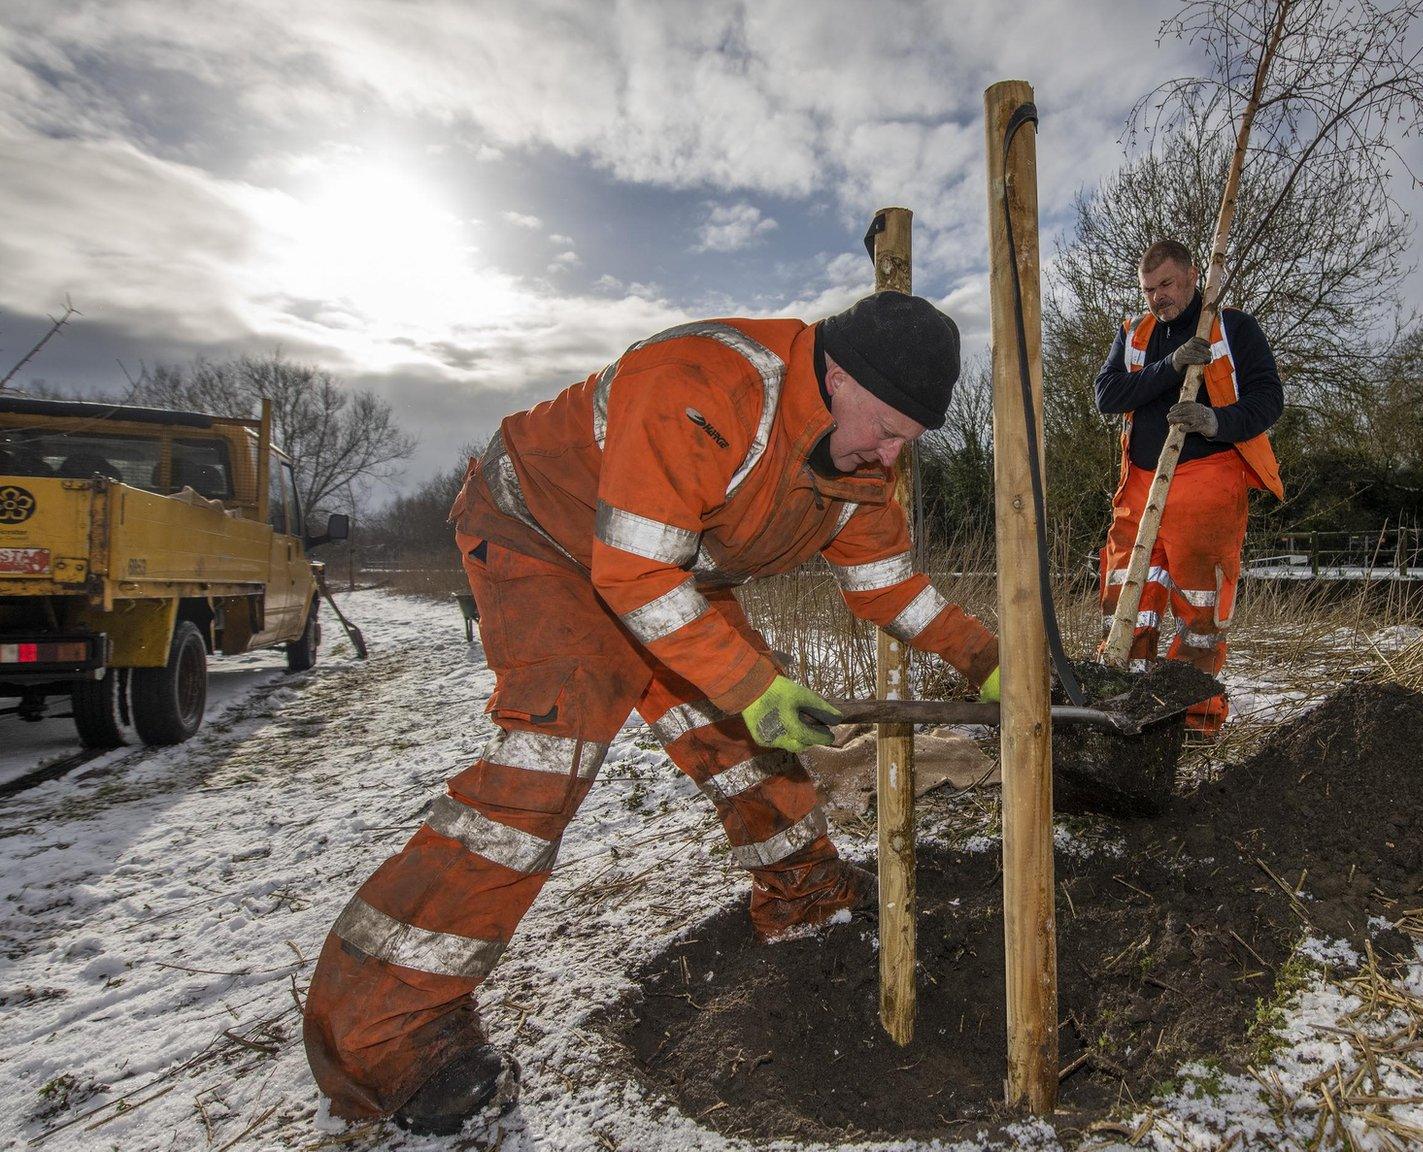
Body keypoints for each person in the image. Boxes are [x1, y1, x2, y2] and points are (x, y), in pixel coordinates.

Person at [302, 292, 1000, 1134]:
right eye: (886, 430)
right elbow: (632, 573)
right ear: (838, 374)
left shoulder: (858, 470)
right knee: (543, 770)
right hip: (545, 542)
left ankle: (805, 896)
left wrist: (989, 662)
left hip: (670, 578)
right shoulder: (705, 383)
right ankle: (386, 1031)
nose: (890, 455)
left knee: (746, 746)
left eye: (907, 442)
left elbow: (889, 587)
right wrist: (754, 688)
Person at [1094, 239, 1284, 734]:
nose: (1158, 297)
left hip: (1207, 483)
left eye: (1167, 285)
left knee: (1199, 607)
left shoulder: (1233, 327)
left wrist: (1214, 420)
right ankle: (1122, 704)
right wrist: (1172, 366)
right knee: (1126, 594)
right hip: (1139, 483)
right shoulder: (1135, 333)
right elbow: (1108, 394)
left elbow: (1269, 400)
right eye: (1149, 289)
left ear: (1193, 275)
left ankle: (1191, 718)